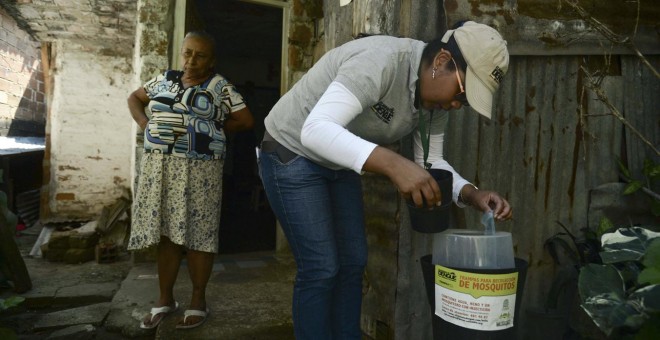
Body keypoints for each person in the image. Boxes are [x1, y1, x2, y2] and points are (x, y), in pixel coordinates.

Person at [257, 21, 513, 339]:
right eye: (461, 91)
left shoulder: (435, 106)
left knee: (353, 261)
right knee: (321, 267)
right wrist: (393, 163)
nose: (456, 104)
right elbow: (316, 130)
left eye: (466, 102)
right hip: (290, 151)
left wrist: (471, 194)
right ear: (441, 61)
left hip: (335, 163)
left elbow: (431, 163)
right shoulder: (380, 61)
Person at [127, 31, 254, 330]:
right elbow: (134, 98)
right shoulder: (165, 79)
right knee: (167, 234)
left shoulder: (220, 86)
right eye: (187, 53)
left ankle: (198, 301)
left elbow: (246, 120)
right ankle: (164, 300)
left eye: (200, 55)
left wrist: (213, 129)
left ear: (212, 61)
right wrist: (145, 124)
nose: (191, 60)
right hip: (161, 167)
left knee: (200, 234)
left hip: (201, 170)